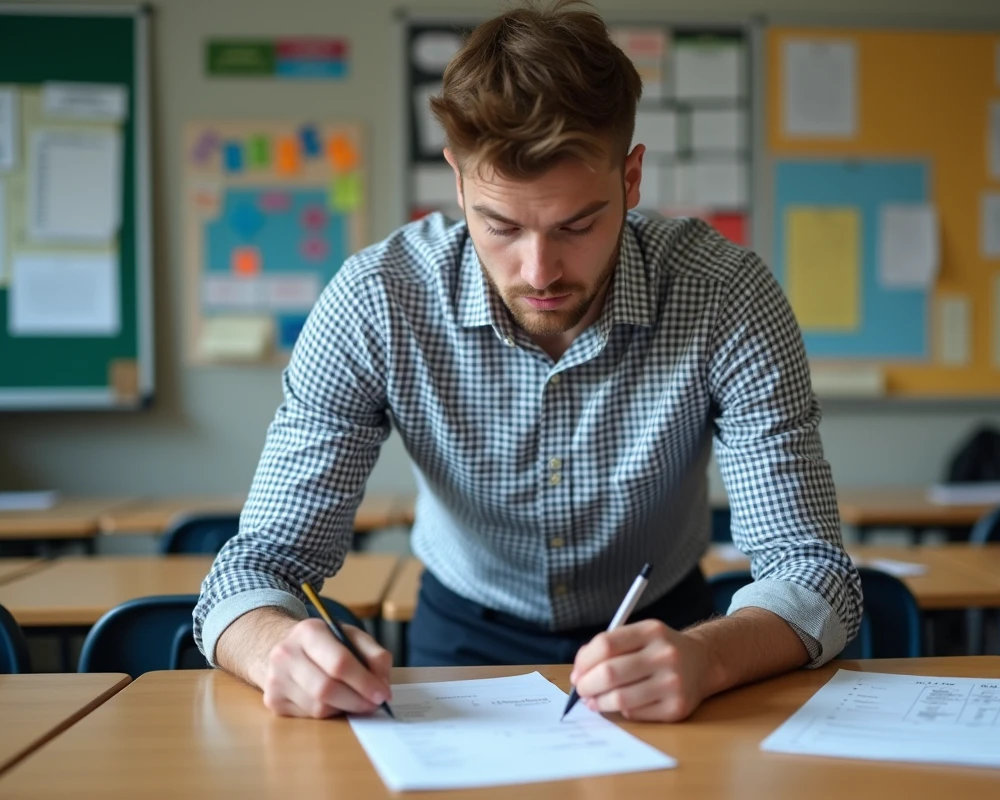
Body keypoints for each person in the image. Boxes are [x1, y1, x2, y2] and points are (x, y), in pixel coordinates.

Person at [195, 0, 862, 724]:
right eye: (501, 225)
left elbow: (815, 570)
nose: (540, 270)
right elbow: (255, 564)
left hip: (673, 638)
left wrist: (711, 656)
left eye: (578, 224)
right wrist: (274, 648)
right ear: (457, 182)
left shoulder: (726, 295)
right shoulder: (377, 301)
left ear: (630, 180)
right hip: (462, 632)